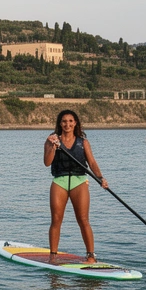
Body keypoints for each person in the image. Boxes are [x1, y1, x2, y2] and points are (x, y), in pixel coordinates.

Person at [44, 109, 108, 263]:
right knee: (56, 219)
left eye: (71, 121)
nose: (67, 124)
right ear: (60, 123)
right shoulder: (51, 140)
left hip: (79, 181)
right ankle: (53, 256)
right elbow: (47, 162)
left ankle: (91, 256)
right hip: (59, 181)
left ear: (76, 123)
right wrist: (53, 147)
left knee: (83, 219)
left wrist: (100, 178)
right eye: (64, 121)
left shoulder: (83, 142)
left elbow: (91, 162)